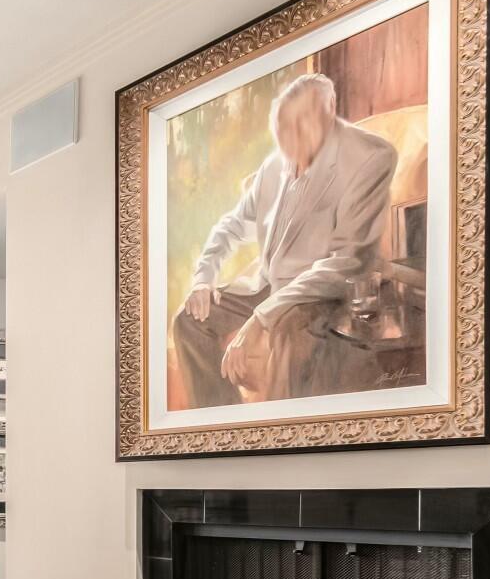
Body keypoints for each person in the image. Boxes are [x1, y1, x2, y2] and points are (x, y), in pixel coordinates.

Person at [170, 72, 398, 406]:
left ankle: (277, 432)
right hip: (269, 284)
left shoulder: (371, 157)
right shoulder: (273, 165)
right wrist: (203, 280)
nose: (290, 144)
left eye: (301, 126)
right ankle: (225, 427)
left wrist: (261, 318)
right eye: (283, 131)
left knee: (290, 328)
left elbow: (347, 262)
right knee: (189, 322)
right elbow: (231, 227)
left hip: (324, 291)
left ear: (329, 109)